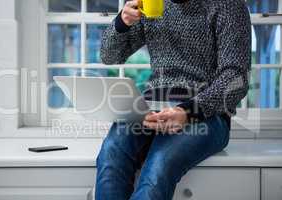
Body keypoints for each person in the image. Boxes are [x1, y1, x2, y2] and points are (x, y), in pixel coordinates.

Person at [95, 0, 251, 199]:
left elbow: (236, 78)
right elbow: (109, 56)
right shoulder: (149, 3)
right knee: (111, 154)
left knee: (160, 163)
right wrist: (122, 22)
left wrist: (187, 112)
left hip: (206, 114)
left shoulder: (229, 5)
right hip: (151, 106)